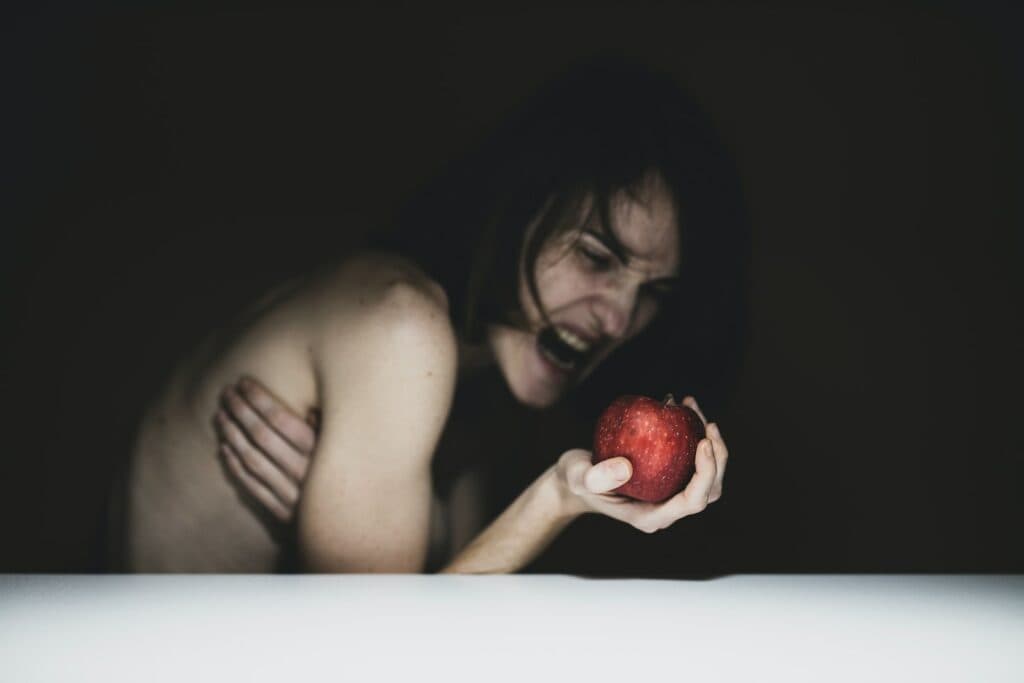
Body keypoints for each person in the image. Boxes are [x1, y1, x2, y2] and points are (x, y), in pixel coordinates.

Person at [116, 58, 744, 573]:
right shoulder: (402, 333)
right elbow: (391, 656)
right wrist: (554, 498)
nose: (618, 320)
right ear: (518, 208)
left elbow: (424, 616)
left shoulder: (466, 408)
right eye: (596, 256)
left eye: (653, 292)